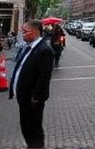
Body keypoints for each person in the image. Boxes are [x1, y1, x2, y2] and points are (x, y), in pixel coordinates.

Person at [9, 19, 54, 149]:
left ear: (34, 32)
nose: (22, 35)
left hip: (32, 100)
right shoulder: (29, 47)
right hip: (23, 98)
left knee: (34, 130)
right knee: (26, 128)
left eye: (25, 32)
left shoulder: (44, 50)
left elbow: (44, 77)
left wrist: (36, 97)